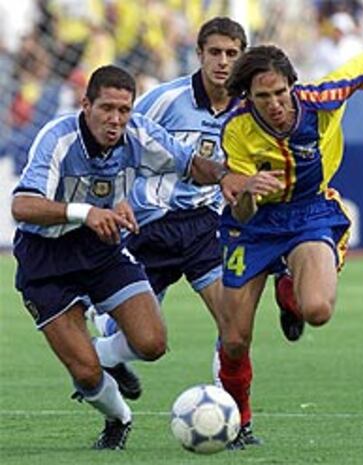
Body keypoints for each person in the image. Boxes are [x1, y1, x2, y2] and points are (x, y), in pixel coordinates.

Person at [11, 64, 242, 451]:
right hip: (46, 258)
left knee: (152, 343)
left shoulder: (140, 134)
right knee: (85, 374)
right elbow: (22, 205)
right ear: (86, 105)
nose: (116, 119)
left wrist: (225, 176)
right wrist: (87, 212)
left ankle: (102, 354)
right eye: (107, 108)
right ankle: (119, 418)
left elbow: (189, 164)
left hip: (101, 249)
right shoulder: (57, 138)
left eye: (124, 110)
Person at [90, 17, 292, 449]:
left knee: (234, 327)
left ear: (242, 57)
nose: (222, 62)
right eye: (214, 52)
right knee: (141, 339)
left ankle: (239, 422)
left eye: (231, 53)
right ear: (199, 54)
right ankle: (106, 358)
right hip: (150, 226)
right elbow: (118, 144)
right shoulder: (164, 100)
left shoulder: (248, 109)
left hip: (206, 226)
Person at [217, 46, 363, 447]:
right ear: (247, 97)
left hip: (309, 213)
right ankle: (241, 421)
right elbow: (239, 213)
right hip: (255, 226)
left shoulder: (322, 99)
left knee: (318, 310)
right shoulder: (236, 129)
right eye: (262, 97)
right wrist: (248, 190)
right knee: (235, 341)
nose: (274, 104)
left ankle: (289, 288)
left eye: (279, 93)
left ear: (292, 84)